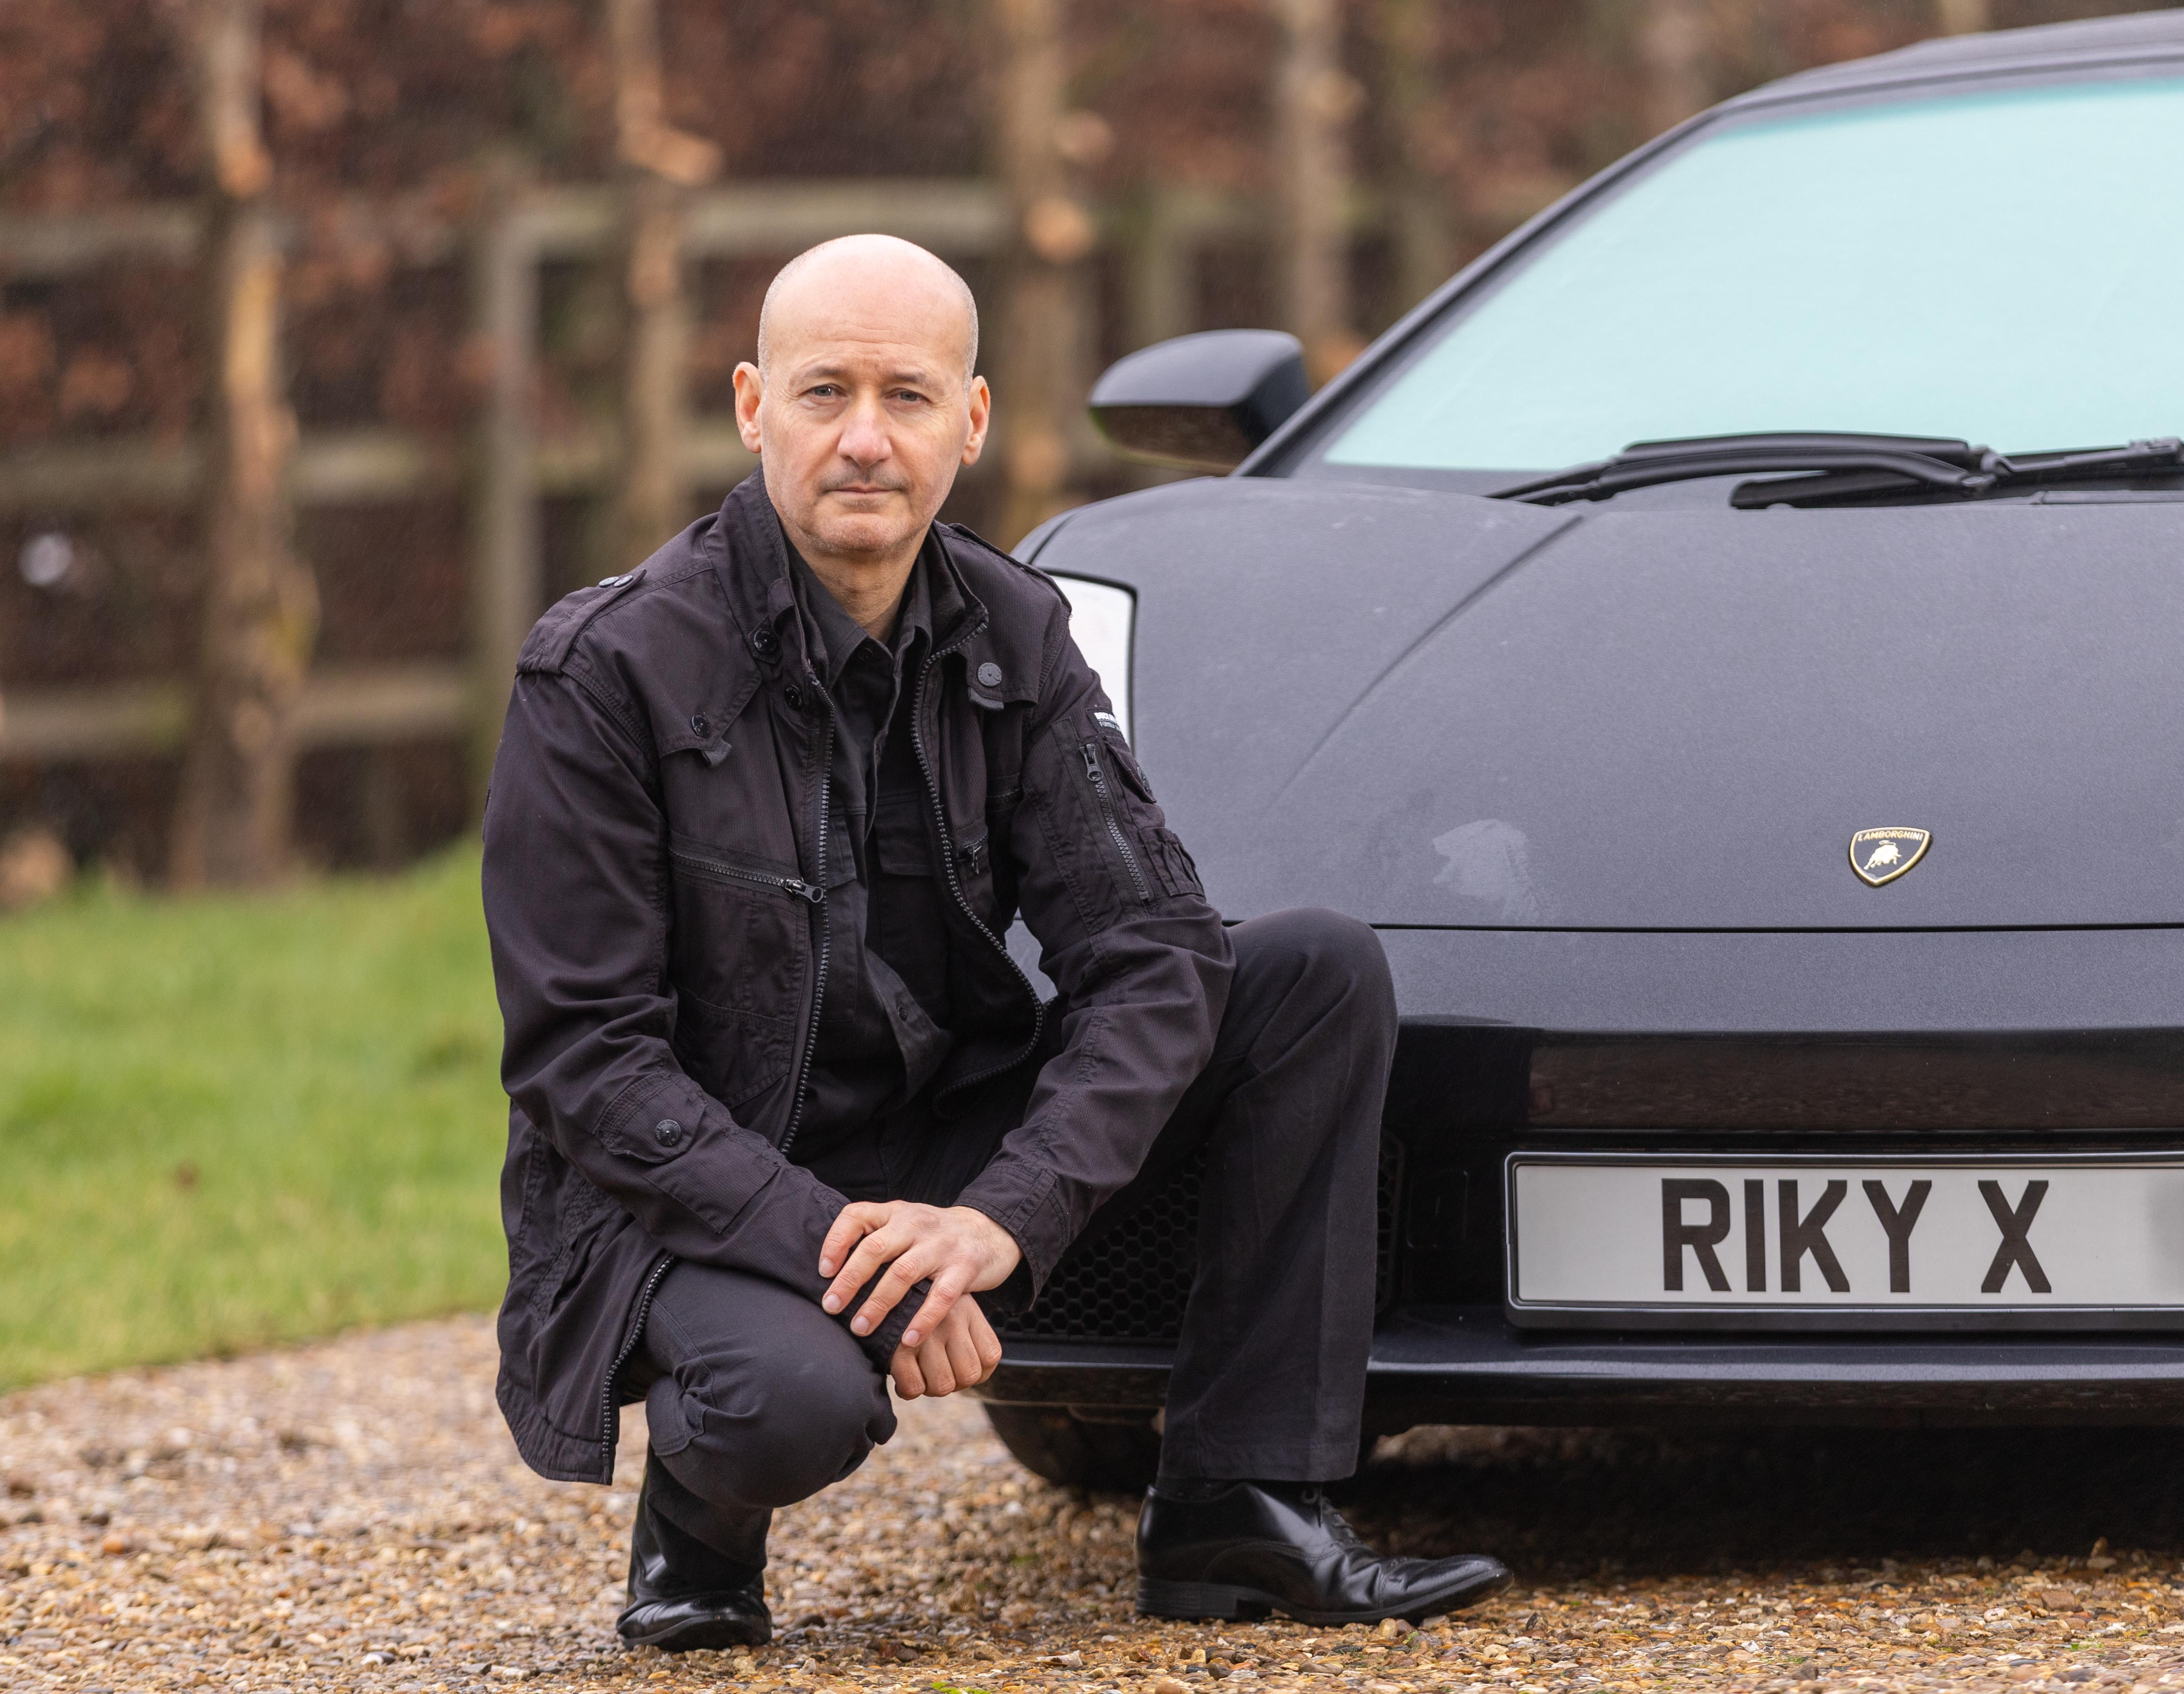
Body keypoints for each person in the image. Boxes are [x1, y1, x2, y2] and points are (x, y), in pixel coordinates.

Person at [479, 234, 1510, 1650]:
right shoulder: (602, 673)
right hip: (697, 1192)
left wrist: (997, 1221)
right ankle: (700, 1533)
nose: (861, 440)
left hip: (936, 1139)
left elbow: (1153, 953)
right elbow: (588, 1064)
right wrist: (840, 1246)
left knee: (1308, 976)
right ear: (747, 406)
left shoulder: (1014, 632)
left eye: (905, 398)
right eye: (821, 392)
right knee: (792, 1403)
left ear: (971, 422)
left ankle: (1240, 1500)